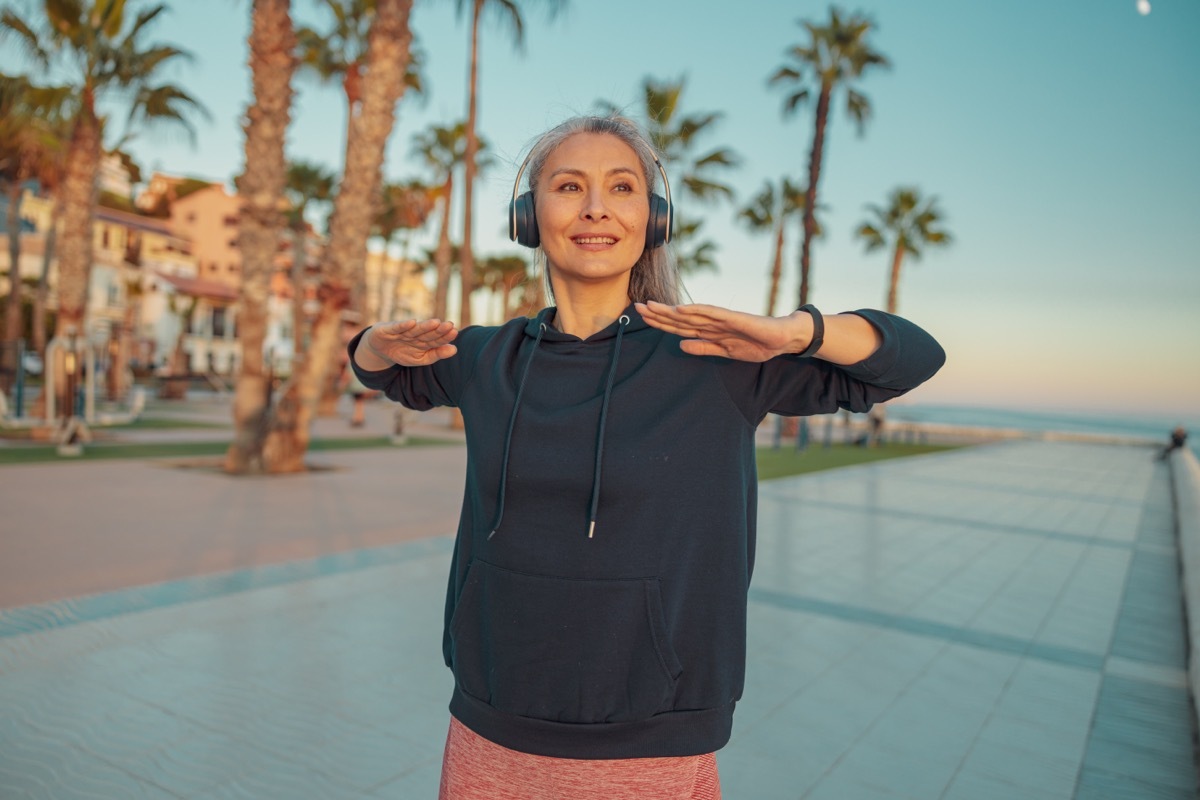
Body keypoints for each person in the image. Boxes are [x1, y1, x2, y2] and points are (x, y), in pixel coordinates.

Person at [349, 115, 945, 800]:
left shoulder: (715, 356)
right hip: (491, 732)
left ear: (652, 219)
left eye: (622, 187)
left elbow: (913, 358)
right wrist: (373, 341)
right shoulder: (489, 357)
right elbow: (381, 371)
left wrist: (791, 333)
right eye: (569, 185)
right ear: (528, 216)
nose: (596, 207)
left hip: (652, 740)